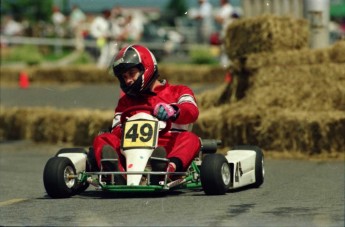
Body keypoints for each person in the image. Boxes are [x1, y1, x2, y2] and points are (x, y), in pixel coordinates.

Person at [92, 44, 201, 182]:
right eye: (124, 77)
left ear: (146, 68)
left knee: (191, 139)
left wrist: (173, 110)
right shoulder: (126, 102)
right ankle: (117, 173)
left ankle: (165, 171)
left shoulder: (178, 91)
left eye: (131, 74)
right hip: (132, 149)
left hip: (167, 147)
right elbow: (116, 130)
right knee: (103, 138)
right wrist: (126, 128)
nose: (128, 80)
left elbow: (192, 112)